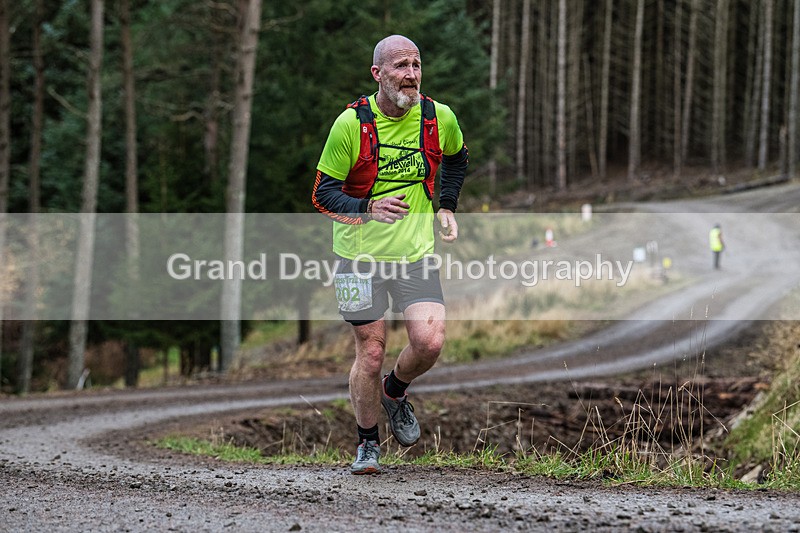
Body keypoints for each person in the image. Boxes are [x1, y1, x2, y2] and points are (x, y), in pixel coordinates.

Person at [312, 35, 469, 474]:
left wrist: (446, 206)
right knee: (372, 351)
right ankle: (367, 445)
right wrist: (367, 208)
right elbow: (322, 195)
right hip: (356, 257)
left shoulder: (439, 117)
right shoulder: (350, 125)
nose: (412, 74)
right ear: (378, 74)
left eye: (417, 65)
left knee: (430, 341)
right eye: (401, 65)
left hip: (415, 253)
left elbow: (457, 160)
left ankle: (395, 391)